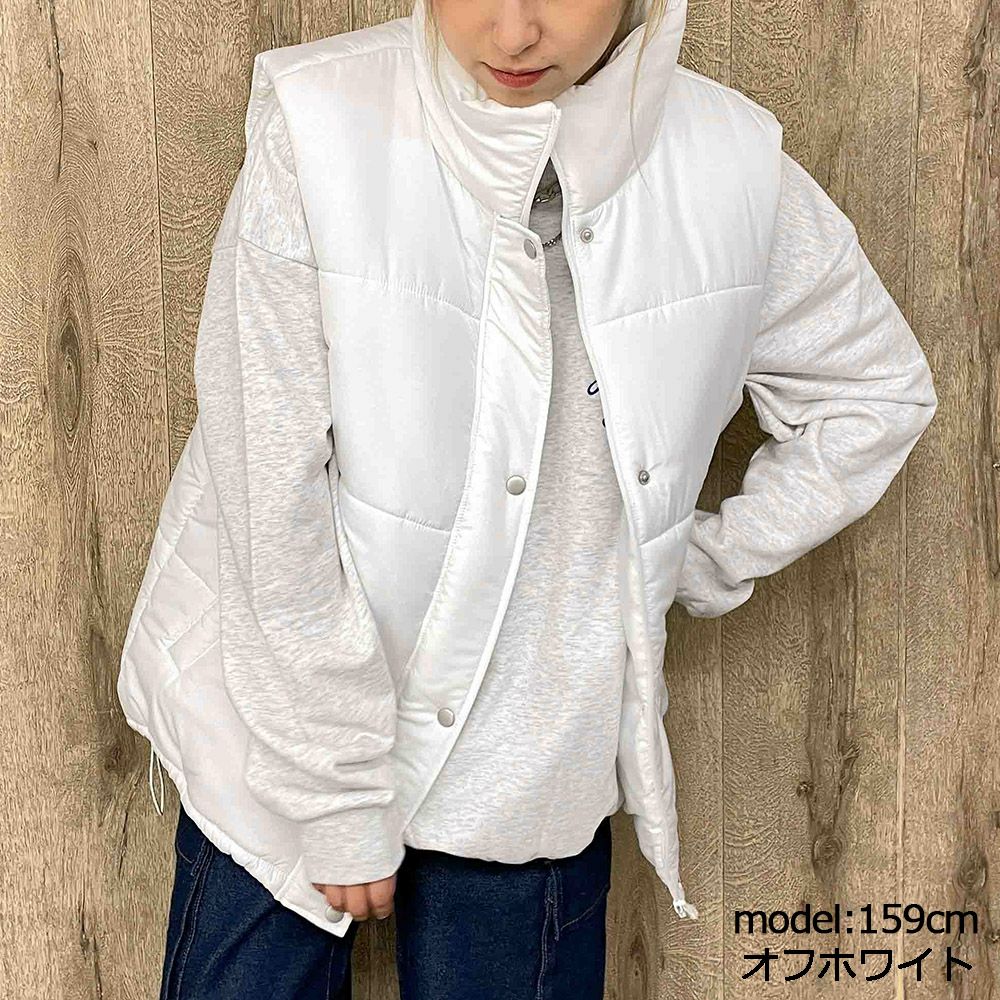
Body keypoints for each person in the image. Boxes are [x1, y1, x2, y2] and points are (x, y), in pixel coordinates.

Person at [117, 0, 938, 997]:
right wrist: (330, 788)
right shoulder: (321, 119)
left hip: (531, 754)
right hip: (279, 734)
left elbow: (873, 392)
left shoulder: (729, 160)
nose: (512, 34)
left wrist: (688, 561)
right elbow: (266, 480)